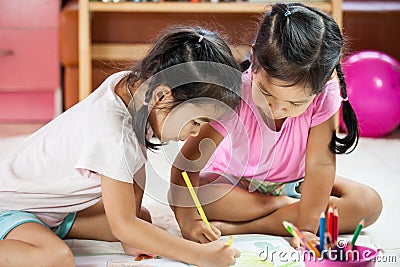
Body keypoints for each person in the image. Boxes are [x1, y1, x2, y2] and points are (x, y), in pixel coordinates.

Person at [0, 26, 242, 267]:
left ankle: (46, 229)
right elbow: (124, 226)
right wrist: (199, 255)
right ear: (162, 97)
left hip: (53, 209)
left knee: (142, 220)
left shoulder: (136, 88)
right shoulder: (113, 132)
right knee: (56, 258)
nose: (195, 132)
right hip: (10, 206)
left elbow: (135, 164)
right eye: (195, 121)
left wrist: (134, 224)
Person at [169, 3, 382, 248]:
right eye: (267, 94)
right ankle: (282, 210)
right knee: (192, 196)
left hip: (295, 185)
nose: (277, 109)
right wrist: (189, 220)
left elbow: (320, 164)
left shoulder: (326, 94)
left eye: (294, 103)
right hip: (237, 184)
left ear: (324, 84)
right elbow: (186, 165)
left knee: (368, 203)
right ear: (255, 61)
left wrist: (307, 228)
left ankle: (251, 226)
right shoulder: (236, 91)